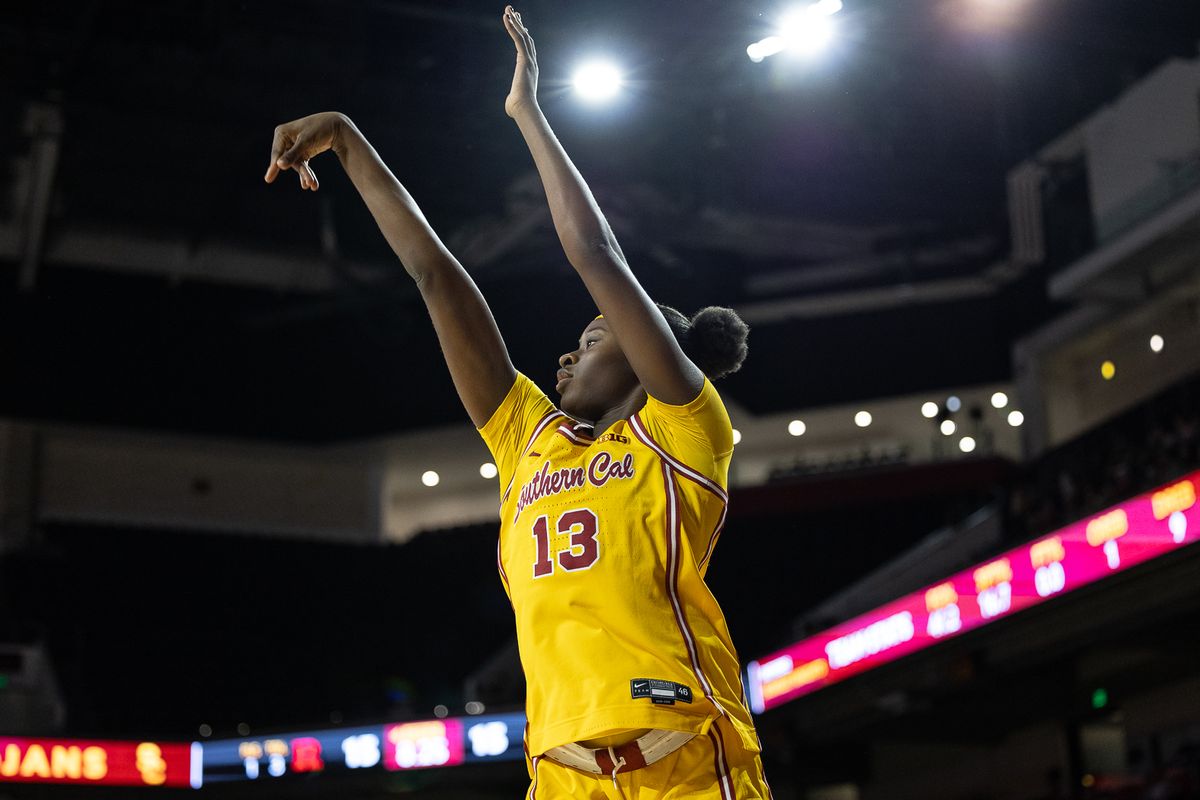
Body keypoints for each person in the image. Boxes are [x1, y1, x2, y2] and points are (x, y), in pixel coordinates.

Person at [264, 6, 769, 796]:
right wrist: (349, 143)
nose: (568, 352)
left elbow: (595, 255)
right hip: (560, 775)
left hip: (683, 764)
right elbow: (436, 278)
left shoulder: (684, 433)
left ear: (645, 361)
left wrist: (527, 115)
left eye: (594, 339)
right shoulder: (529, 437)